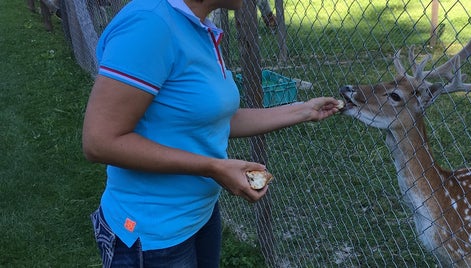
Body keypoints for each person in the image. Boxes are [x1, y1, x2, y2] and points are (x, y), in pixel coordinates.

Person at [81, 0, 339, 266]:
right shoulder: (150, 24)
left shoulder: (198, 26)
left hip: (199, 216)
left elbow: (216, 119)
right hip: (152, 233)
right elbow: (100, 142)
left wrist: (302, 111)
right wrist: (212, 167)